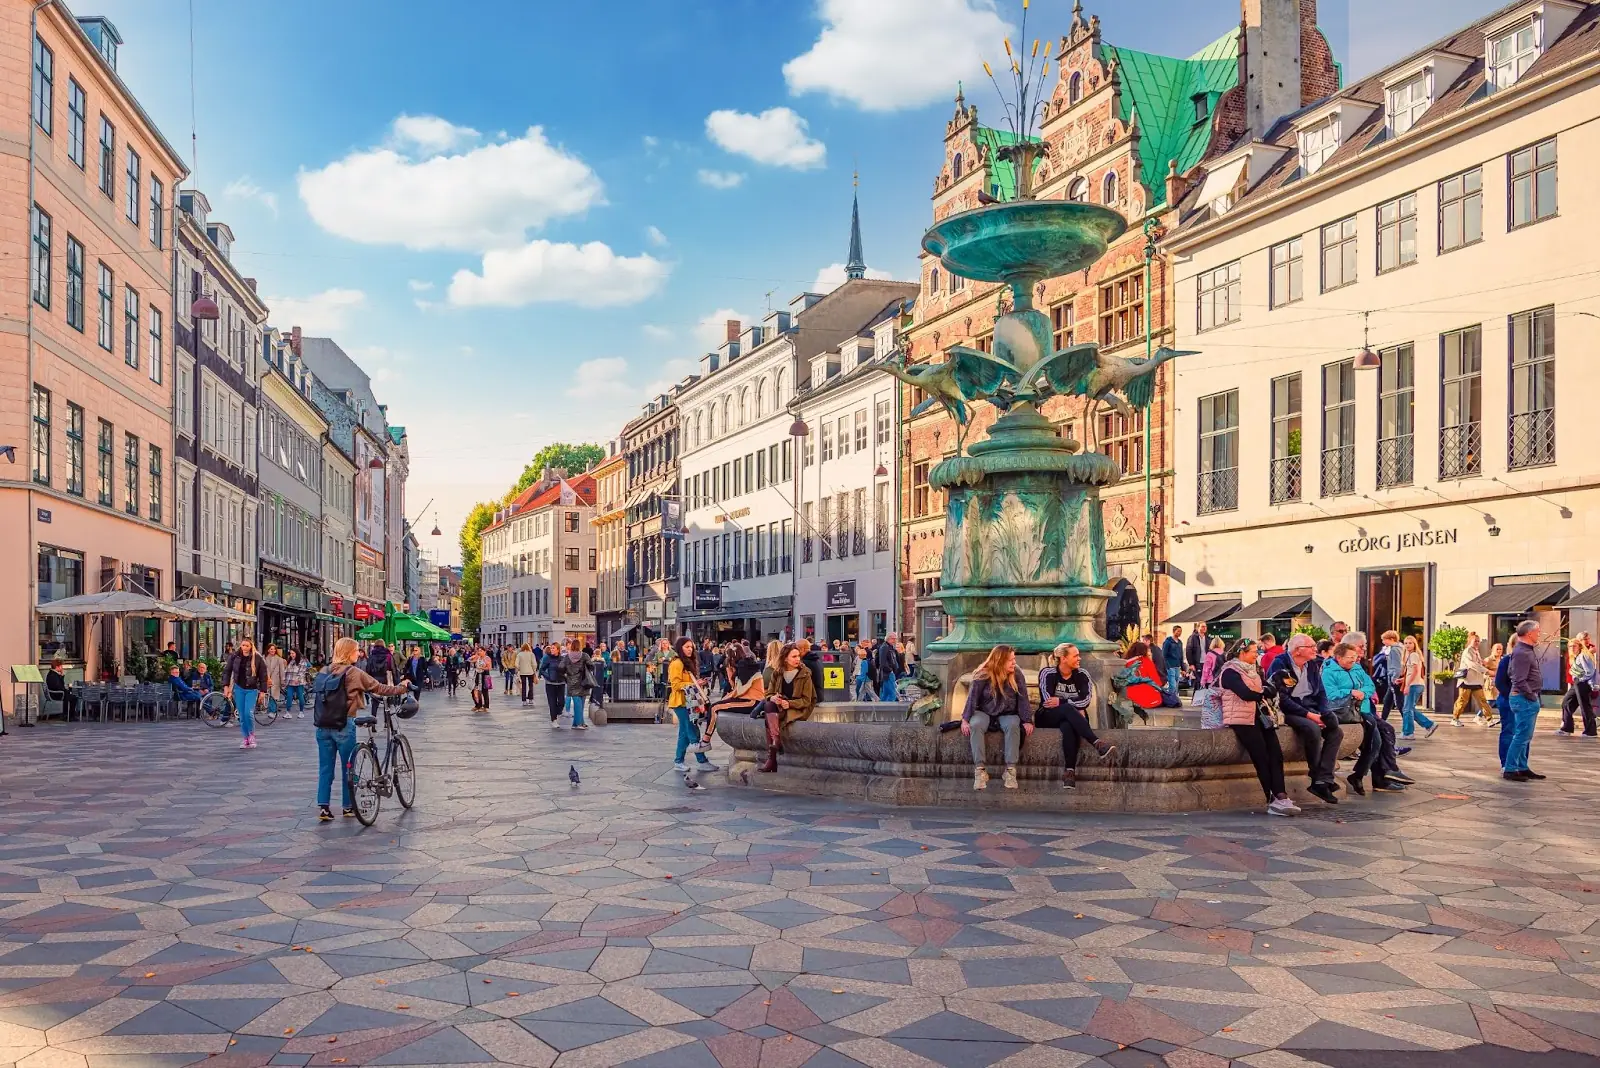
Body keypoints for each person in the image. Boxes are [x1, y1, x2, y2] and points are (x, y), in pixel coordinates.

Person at [312, 636, 411, 821]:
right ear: (349, 652)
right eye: (357, 650)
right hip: (343, 723)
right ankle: (348, 806)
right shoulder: (353, 672)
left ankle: (323, 807)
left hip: (322, 726)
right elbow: (379, 688)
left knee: (325, 768)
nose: (358, 653)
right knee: (349, 767)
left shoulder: (324, 671)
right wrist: (402, 688)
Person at [1217, 638, 1299, 816]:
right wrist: (1263, 691)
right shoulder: (1230, 671)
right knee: (1261, 757)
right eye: (1254, 651)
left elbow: (1265, 689)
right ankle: (1272, 798)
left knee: (1276, 754)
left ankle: (1281, 796)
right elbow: (1246, 693)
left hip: (1261, 717)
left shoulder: (1254, 671)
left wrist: (1263, 691)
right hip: (1241, 720)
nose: (1257, 654)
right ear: (1242, 652)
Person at [1266, 634, 1341, 804]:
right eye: (1311, 646)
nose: (1316, 649)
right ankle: (1317, 777)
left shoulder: (1312, 664)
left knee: (1336, 731)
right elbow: (1282, 699)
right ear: (1298, 650)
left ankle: (1324, 779)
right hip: (1288, 709)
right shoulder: (1280, 663)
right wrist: (1310, 716)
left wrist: (1323, 712)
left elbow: (1321, 692)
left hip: (1310, 706)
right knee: (1312, 729)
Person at [1323, 641, 1398, 794]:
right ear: (1338, 657)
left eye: (1355, 657)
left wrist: (1363, 692)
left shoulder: (1357, 668)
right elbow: (1330, 695)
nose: (1353, 660)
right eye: (1350, 657)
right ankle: (1372, 775)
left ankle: (1363, 774)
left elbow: (1370, 686)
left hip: (1363, 709)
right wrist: (1350, 692)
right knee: (1375, 741)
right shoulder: (1328, 672)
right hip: (1344, 711)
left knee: (1381, 737)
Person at [1037, 643, 1115, 789]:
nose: (1079, 658)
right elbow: (1047, 702)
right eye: (1075, 656)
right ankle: (1096, 742)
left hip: (1071, 717)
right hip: (1048, 717)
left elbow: (1086, 700)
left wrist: (1061, 701)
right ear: (1063, 659)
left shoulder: (1082, 674)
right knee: (1068, 710)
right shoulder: (1047, 673)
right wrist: (1072, 705)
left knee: (1068, 725)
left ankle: (1069, 772)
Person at [962, 644, 1033, 790]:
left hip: (1007, 712)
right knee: (976, 725)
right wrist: (965, 719)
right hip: (984, 711)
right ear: (999, 661)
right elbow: (972, 698)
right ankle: (980, 771)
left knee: (1013, 725)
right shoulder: (983, 673)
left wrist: (1027, 720)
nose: (1014, 662)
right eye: (1011, 660)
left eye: (1014, 659)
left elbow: (1023, 698)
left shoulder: (1017, 673)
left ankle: (1010, 771)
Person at [759, 643, 815, 773]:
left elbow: (807, 700)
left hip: (798, 708)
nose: (797, 659)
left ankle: (772, 758)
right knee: (769, 705)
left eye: (798, 656)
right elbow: (768, 693)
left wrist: (789, 704)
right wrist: (773, 697)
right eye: (794, 656)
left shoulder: (805, 674)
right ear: (785, 658)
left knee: (768, 718)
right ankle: (776, 740)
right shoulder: (777, 673)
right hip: (779, 707)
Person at [667, 638, 719, 774]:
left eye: (692, 647)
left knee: (685, 732)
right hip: (681, 702)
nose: (690, 649)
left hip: (688, 702)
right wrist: (693, 685)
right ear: (680, 648)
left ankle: (679, 761)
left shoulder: (686, 662)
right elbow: (675, 685)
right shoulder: (677, 663)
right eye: (687, 647)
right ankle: (701, 761)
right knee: (692, 730)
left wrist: (697, 682)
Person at [1503, 619, 1546, 781]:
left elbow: (1511, 673)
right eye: (1537, 631)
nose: (1539, 634)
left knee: (1525, 736)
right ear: (1529, 633)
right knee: (1521, 735)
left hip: (1524, 698)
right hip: (1524, 699)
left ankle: (1521, 766)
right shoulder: (1522, 652)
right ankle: (1510, 769)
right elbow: (1518, 679)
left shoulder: (1523, 650)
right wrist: (1531, 695)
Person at [704, 641, 765, 751]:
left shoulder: (743, 667)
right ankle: (706, 740)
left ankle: (706, 740)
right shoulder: (747, 666)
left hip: (751, 701)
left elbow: (738, 690)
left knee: (714, 708)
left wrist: (730, 673)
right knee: (715, 706)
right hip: (751, 700)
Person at [222, 638, 269, 749]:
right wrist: (226, 686)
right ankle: (245, 737)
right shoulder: (235, 656)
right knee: (242, 715)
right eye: (243, 645)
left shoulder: (257, 658)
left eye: (247, 646)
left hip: (251, 689)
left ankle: (252, 735)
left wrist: (263, 691)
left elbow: (263, 675)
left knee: (249, 713)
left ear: (251, 646)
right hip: (239, 689)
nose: (245, 648)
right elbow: (227, 671)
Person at [1559, 633, 1597, 736]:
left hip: (1582, 683)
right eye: (1570, 646)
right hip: (1576, 683)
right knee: (1566, 702)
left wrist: (1582, 679)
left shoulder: (1583, 655)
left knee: (1585, 706)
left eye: (1574, 646)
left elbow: (1590, 671)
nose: (1572, 648)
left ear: (1579, 646)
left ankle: (1590, 731)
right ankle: (1566, 728)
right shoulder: (1574, 657)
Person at [1399, 635, 1436, 738]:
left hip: (1413, 685)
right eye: (1406, 643)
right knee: (1410, 708)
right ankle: (1429, 725)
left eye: (1410, 643)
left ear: (1414, 644)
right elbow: (1413, 672)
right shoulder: (1412, 655)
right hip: (1416, 684)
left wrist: (1408, 685)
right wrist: (1403, 680)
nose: (1407, 645)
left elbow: (1415, 671)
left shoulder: (1413, 655)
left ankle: (1408, 733)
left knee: (1407, 709)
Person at [1452, 632, 1488, 723]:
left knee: (1482, 700)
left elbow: (1477, 663)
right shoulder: (1467, 651)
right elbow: (1472, 664)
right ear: (1470, 641)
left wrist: (1483, 663)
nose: (1477, 643)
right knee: (1462, 701)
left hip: (1476, 681)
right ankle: (1455, 718)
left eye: (1478, 641)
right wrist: (1486, 670)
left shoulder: (1476, 651)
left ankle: (1489, 719)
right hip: (1467, 680)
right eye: (1475, 641)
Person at [1120, 641, 1165, 712]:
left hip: (1129, 696)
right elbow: (1156, 681)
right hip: (1148, 698)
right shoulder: (1146, 661)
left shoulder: (1126, 662)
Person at [561, 638, 594, 729]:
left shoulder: (567, 657)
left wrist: (566, 675)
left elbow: (560, 667)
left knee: (577, 704)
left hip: (571, 683)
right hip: (583, 682)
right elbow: (591, 666)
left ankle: (577, 723)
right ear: (579, 646)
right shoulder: (584, 655)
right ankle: (579, 723)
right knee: (581, 704)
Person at [540, 642, 566, 725]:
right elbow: (542, 669)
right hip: (550, 684)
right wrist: (548, 676)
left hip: (561, 683)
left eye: (553, 648)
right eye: (551, 648)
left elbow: (566, 669)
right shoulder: (547, 658)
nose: (552, 650)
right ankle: (553, 719)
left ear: (558, 650)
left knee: (562, 701)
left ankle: (558, 712)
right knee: (552, 702)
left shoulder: (562, 658)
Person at [873, 635, 902, 702]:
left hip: (888, 672)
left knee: (885, 693)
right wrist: (889, 670)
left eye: (895, 639)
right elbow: (882, 661)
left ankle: (882, 707)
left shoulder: (889, 647)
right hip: (888, 673)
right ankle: (889, 708)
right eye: (893, 639)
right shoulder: (884, 647)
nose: (895, 641)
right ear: (888, 639)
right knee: (892, 693)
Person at [263, 643, 287, 721]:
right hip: (266, 679)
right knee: (267, 695)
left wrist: (282, 681)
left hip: (275, 680)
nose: (272, 650)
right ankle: (270, 710)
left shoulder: (279, 659)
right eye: (271, 649)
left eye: (274, 649)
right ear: (268, 650)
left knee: (273, 696)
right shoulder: (264, 658)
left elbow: (282, 671)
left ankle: (272, 711)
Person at [1161, 627, 1185, 698]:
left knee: (1176, 683)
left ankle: (1174, 698)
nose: (1180, 633)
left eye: (1181, 631)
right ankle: (1172, 698)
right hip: (1170, 665)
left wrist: (1183, 668)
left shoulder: (1180, 642)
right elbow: (1163, 655)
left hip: (1177, 666)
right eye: (1178, 631)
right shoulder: (1168, 642)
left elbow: (1181, 656)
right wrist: (1166, 665)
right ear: (1174, 631)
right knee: (1172, 684)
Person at [284, 650, 309, 717]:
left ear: (296, 653)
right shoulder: (290, 661)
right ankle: (288, 712)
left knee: (300, 697)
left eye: (293, 653)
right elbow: (286, 671)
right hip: (290, 682)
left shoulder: (302, 661)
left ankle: (301, 712)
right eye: (291, 653)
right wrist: (285, 681)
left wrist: (297, 679)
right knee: (289, 696)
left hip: (299, 683)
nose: (292, 655)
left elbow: (302, 671)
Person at [470, 645, 493, 711]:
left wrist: (482, 667)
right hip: (478, 674)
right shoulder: (477, 657)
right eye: (478, 651)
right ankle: (478, 705)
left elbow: (489, 667)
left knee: (484, 691)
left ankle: (485, 706)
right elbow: (469, 660)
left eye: (481, 651)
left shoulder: (487, 658)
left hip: (485, 675)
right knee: (475, 690)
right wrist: (475, 655)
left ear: (484, 651)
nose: (479, 652)